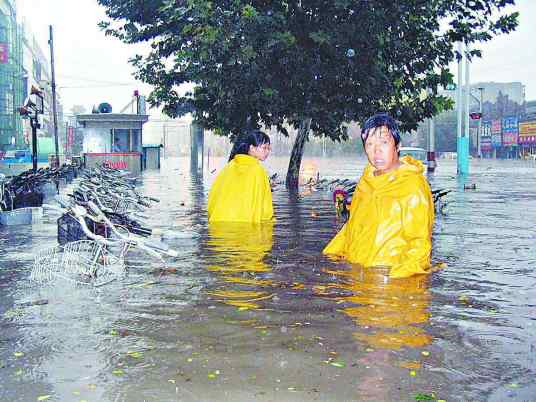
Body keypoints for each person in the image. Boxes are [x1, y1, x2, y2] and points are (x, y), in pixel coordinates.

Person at [323, 113, 434, 278]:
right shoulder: (366, 182)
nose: (376, 151)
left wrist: (393, 281)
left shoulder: (412, 186)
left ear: (397, 145)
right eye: (369, 144)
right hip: (357, 278)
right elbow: (352, 227)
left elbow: (419, 245)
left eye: (384, 142)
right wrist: (329, 257)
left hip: (391, 281)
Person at [208, 130, 274, 223]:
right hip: (245, 226)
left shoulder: (229, 166)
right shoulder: (258, 171)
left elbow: (213, 196)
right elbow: (266, 210)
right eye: (264, 148)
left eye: (269, 148)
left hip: (218, 222)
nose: (267, 151)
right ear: (252, 148)